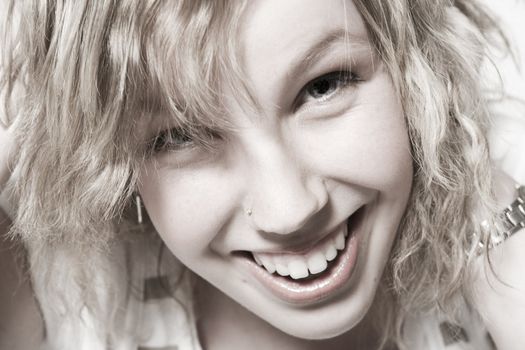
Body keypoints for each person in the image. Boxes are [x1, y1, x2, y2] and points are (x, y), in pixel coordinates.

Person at [1, 0, 524, 349]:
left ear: (416, 64)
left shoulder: (500, 231)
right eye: (180, 135)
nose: (289, 210)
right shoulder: (73, 295)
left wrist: (503, 242)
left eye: (323, 86)